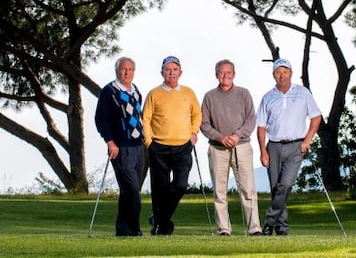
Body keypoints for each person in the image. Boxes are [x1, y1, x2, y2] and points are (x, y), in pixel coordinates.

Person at [257, 58, 322, 236]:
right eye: (278, 72)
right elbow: (261, 127)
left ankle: (269, 222)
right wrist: (263, 151)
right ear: (273, 75)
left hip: (296, 146)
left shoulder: (303, 93)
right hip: (274, 146)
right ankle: (281, 227)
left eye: (285, 71)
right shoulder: (267, 97)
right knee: (275, 187)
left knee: (285, 184)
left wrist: (307, 140)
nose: (282, 75)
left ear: (291, 74)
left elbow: (316, 117)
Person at [200, 59, 262, 236]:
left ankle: (254, 228)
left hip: (241, 146)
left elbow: (251, 119)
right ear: (216, 75)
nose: (225, 76)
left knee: (248, 189)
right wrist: (220, 137)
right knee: (220, 191)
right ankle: (224, 228)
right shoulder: (209, 96)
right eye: (221, 72)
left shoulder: (244, 94)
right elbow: (204, 124)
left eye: (228, 72)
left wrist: (237, 135)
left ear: (234, 74)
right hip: (217, 148)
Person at [142, 55, 202, 235]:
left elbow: (197, 115)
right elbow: (145, 119)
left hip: (183, 146)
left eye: (175, 69)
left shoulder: (188, 93)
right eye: (168, 69)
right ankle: (161, 226)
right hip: (159, 146)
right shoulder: (154, 93)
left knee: (181, 185)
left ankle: (158, 219)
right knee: (160, 189)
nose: (171, 73)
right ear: (162, 72)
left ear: (180, 72)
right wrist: (149, 142)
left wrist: (194, 132)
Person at [95, 56, 146, 237]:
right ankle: (130, 228)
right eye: (124, 69)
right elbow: (101, 120)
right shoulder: (109, 91)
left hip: (138, 147)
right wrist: (110, 142)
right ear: (117, 70)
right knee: (131, 188)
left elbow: (138, 117)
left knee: (132, 190)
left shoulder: (135, 91)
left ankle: (127, 229)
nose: (127, 72)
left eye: (130, 69)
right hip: (120, 147)